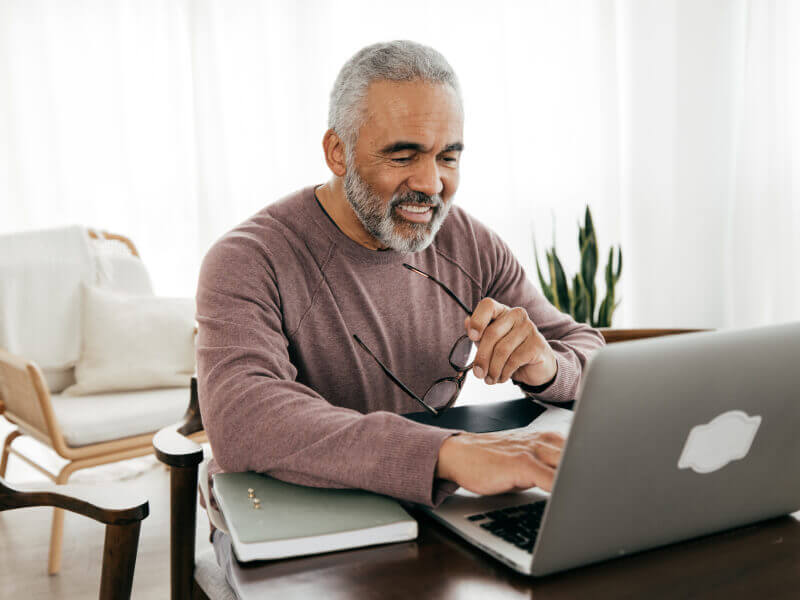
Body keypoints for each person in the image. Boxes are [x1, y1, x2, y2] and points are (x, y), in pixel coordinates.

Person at [197, 40, 605, 591]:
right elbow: (246, 420)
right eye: (403, 155)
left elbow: (585, 348)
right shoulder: (247, 259)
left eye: (448, 156)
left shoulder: (469, 241)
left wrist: (547, 366)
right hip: (289, 517)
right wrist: (446, 452)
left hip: (427, 507)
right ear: (337, 152)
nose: (432, 184)